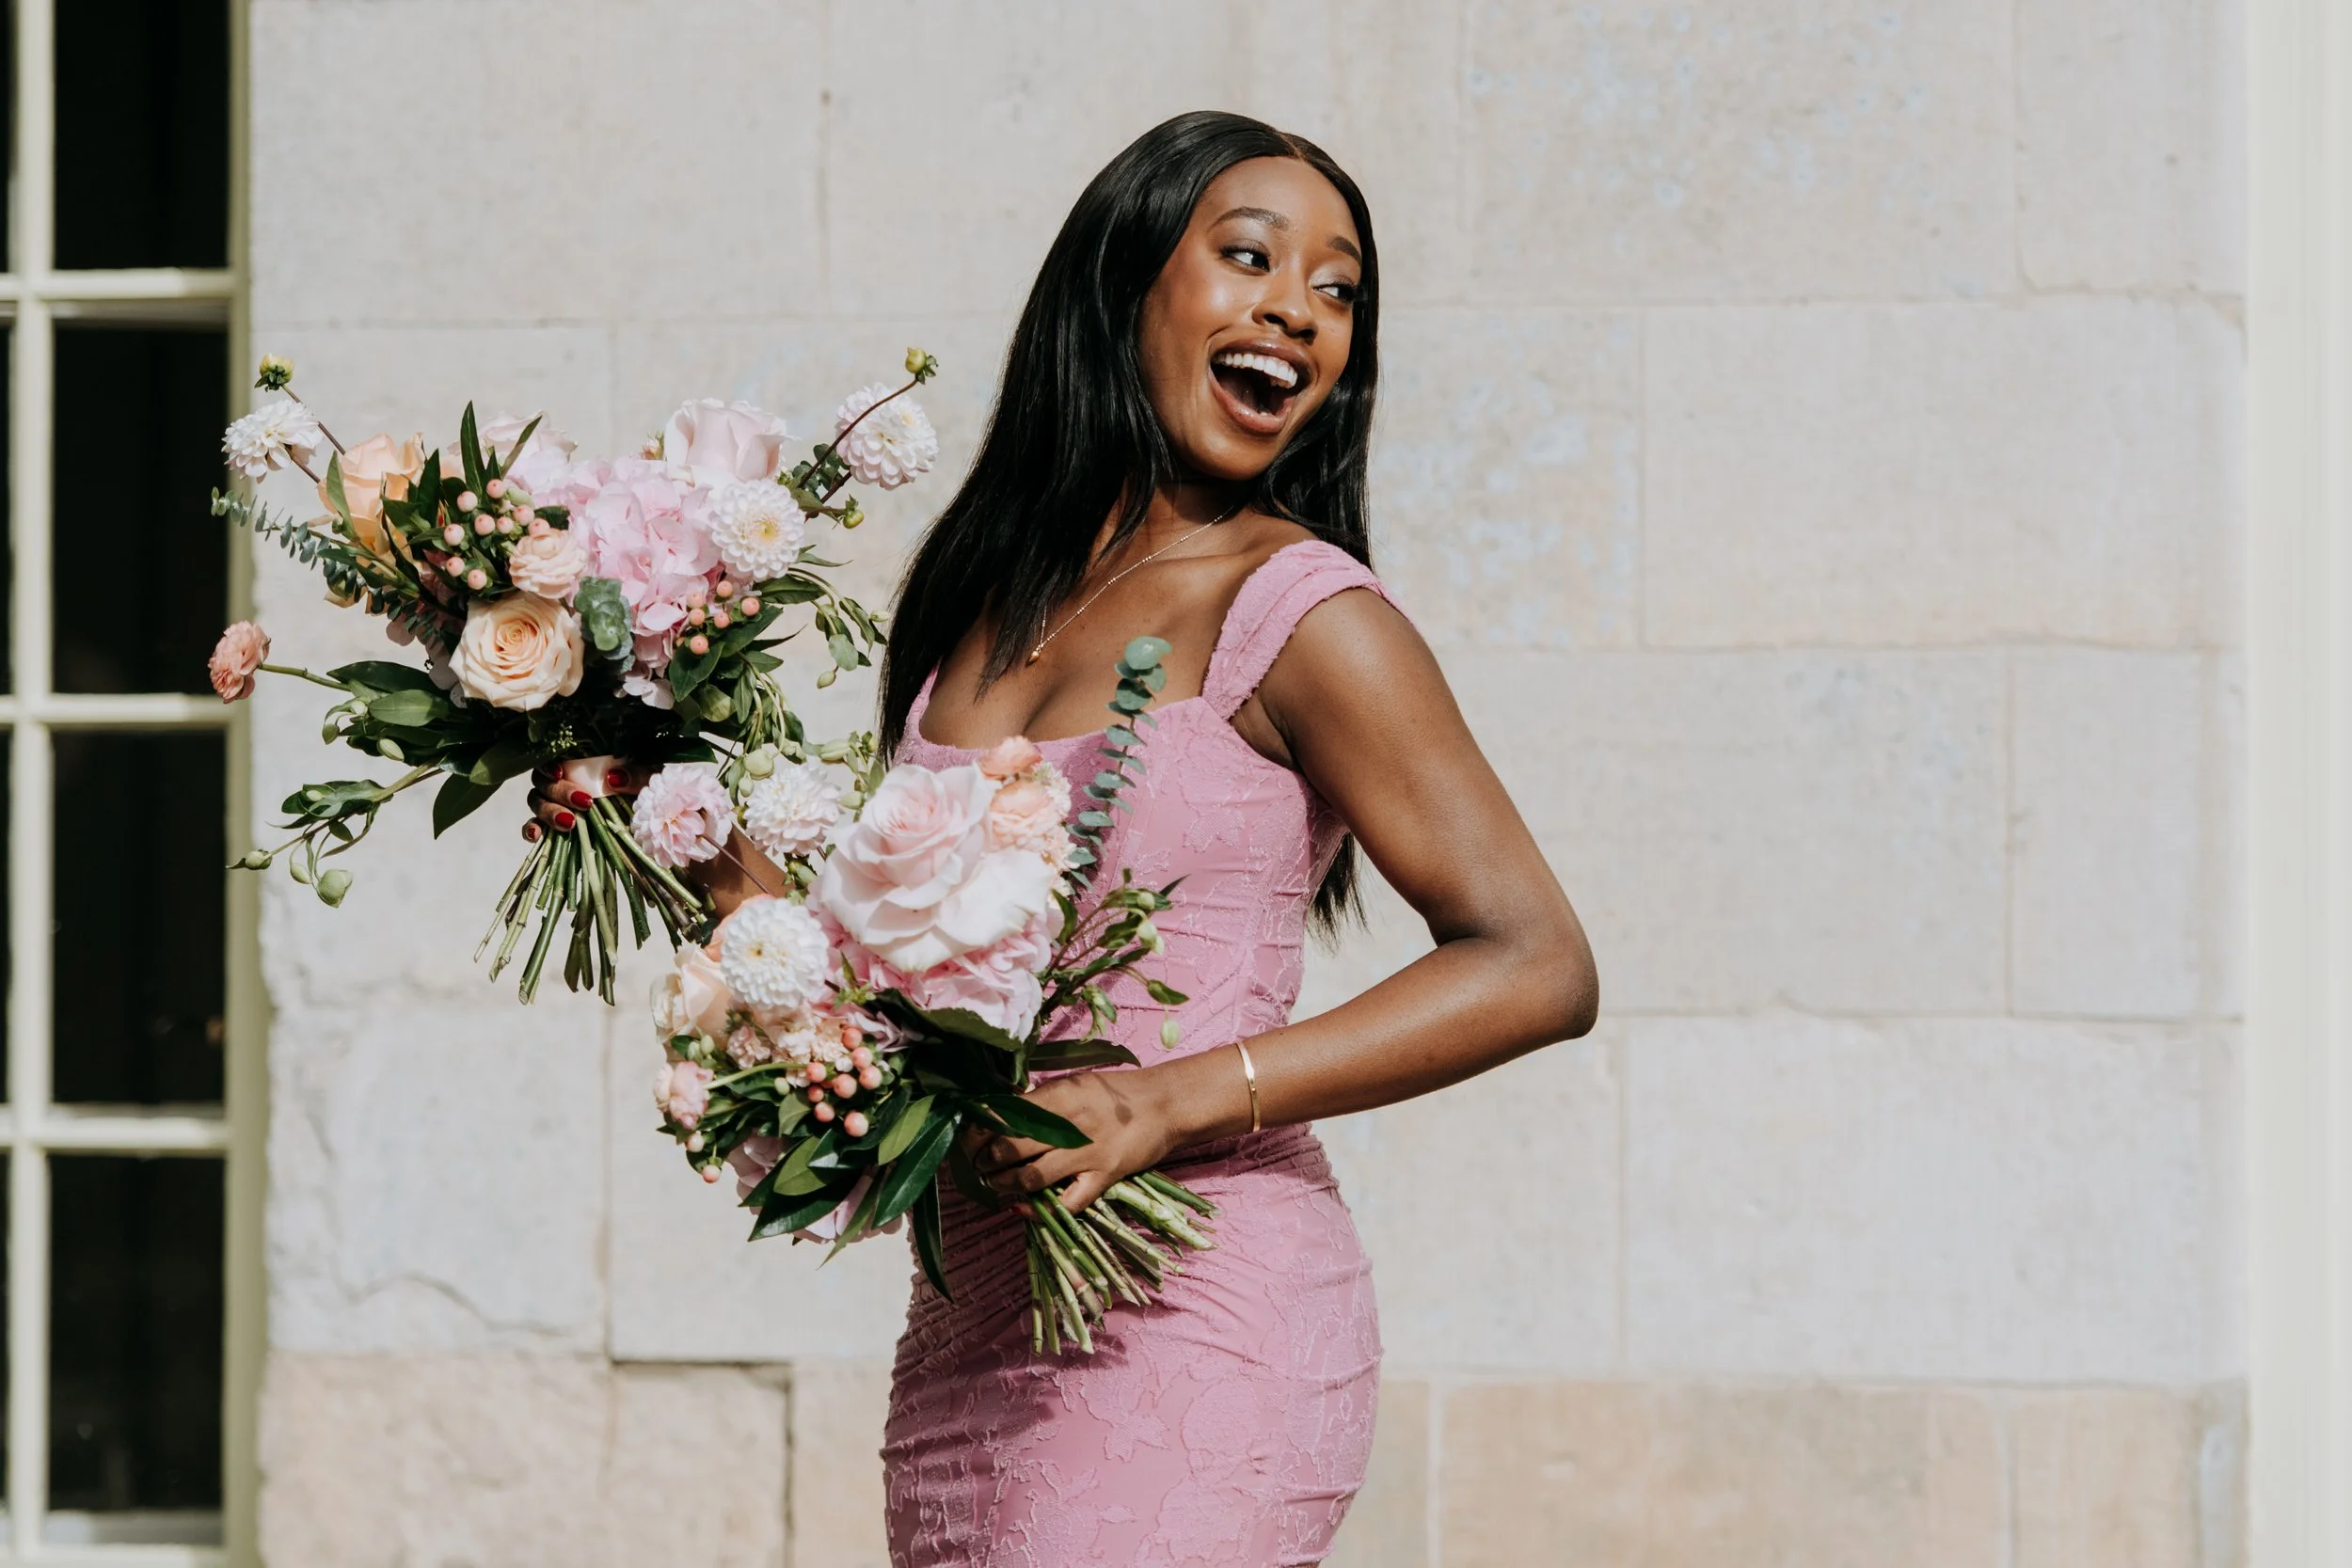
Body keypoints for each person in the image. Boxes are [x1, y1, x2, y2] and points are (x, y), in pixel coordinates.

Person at [716, 109, 1597, 1567]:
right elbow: (915, 1023)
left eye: (1336, 291)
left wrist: (1169, 1101)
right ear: (1125, 283)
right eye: (1250, 258)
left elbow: (1539, 961)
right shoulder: (977, 612)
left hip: (1204, 1320)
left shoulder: (1308, 616)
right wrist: (729, 890)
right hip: (975, 1327)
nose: (1296, 313)